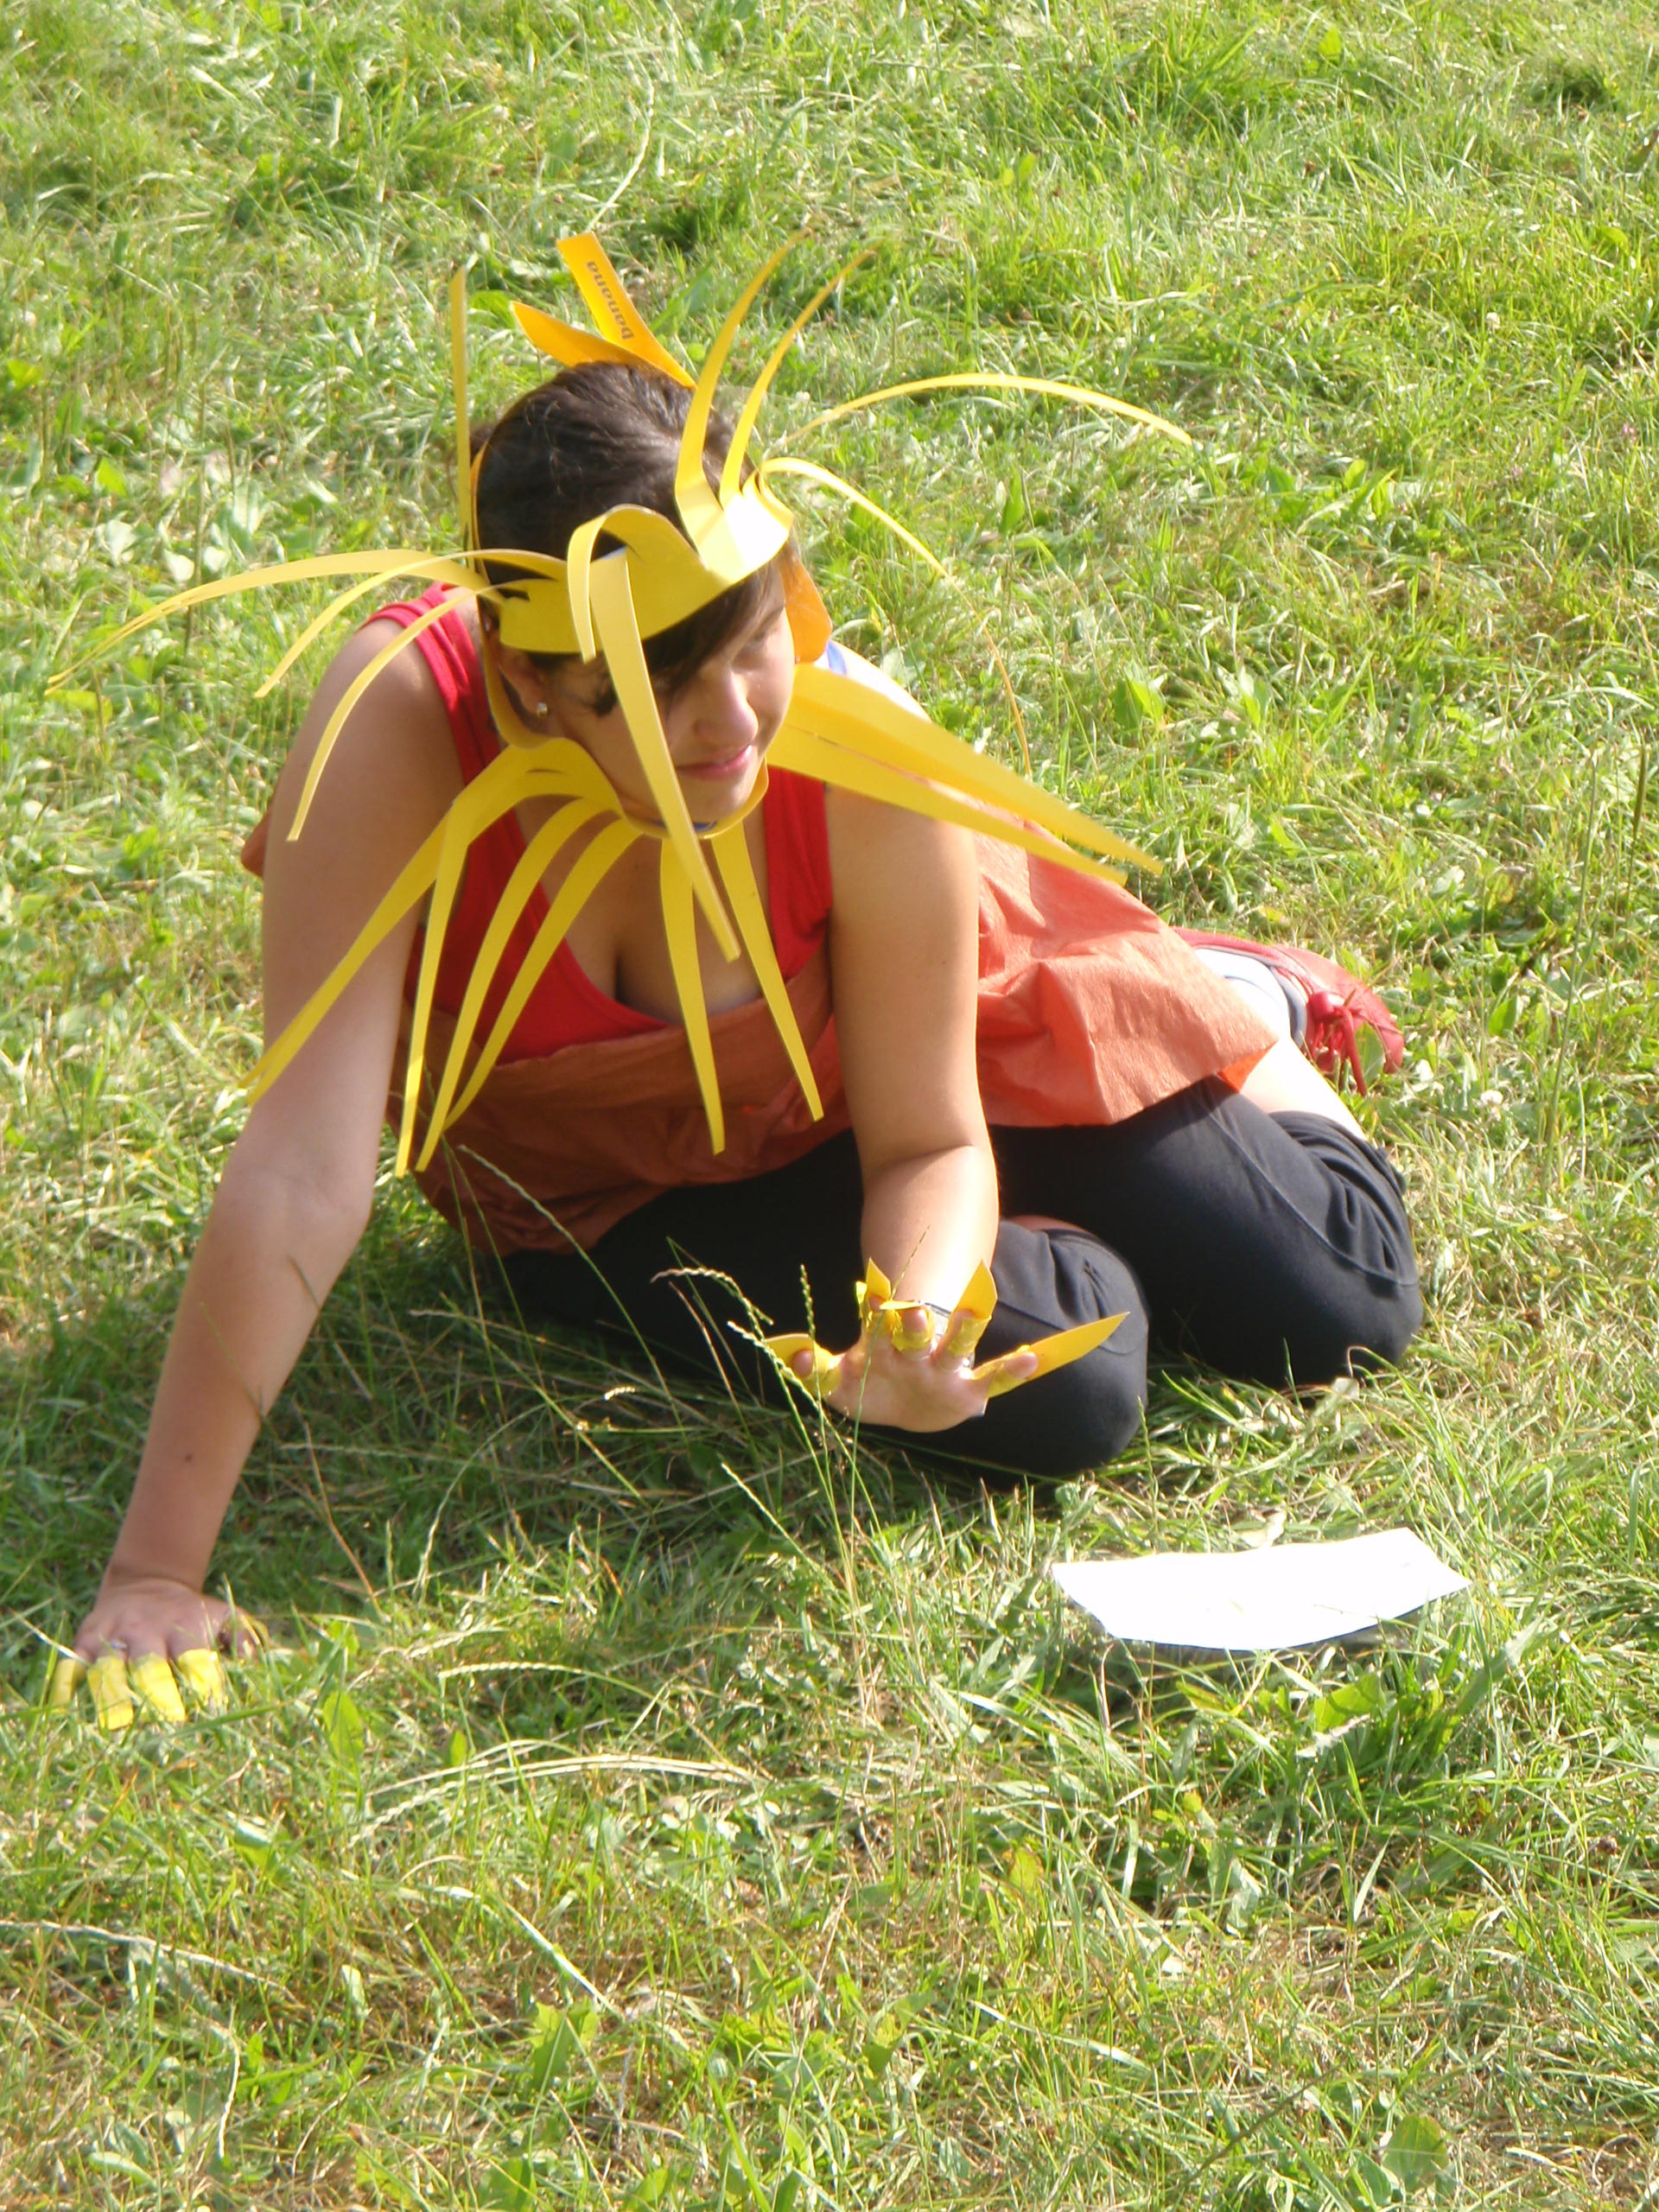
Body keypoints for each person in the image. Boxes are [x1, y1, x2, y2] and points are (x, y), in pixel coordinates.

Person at [54, 238, 1420, 1725]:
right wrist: (154, 1570)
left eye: (754, 643)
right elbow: (304, 1165)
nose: (734, 724)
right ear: (527, 684)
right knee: (1074, 1389)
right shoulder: (394, 727)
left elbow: (926, 1134)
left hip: (914, 1042)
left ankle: (1234, 1003)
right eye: (657, 687)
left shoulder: (847, 738)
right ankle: (1084, 1181)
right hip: (621, 1193)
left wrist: (916, 1298)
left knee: (1335, 1305)